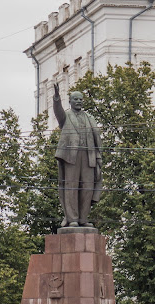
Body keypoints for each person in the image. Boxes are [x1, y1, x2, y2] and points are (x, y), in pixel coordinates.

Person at [53, 83, 103, 228]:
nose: (79, 101)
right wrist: (57, 98)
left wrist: (99, 158)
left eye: (81, 99)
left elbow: (96, 139)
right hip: (71, 157)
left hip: (89, 156)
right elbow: (58, 112)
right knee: (71, 187)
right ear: (70, 101)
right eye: (75, 99)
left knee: (87, 188)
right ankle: (72, 218)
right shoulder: (66, 116)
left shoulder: (89, 118)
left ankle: (83, 218)